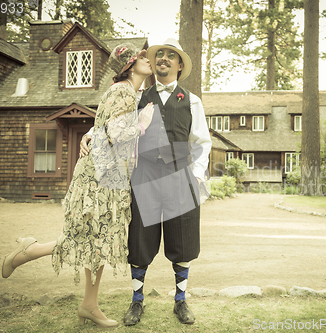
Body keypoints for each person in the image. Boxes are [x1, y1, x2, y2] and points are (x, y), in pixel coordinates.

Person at [1, 43, 155, 328]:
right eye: (141, 57)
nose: (147, 59)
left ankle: (88, 303)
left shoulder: (128, 93)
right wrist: (142, 124)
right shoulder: (122, 91)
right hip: (100, 177)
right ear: (130, 65)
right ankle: (31, 251)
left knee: (97, 241)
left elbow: (102, 126)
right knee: (91, 239)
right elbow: (115, 133)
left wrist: (90, 133)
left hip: (110, 176)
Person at [80, 38, 212, 326]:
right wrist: (90, 133)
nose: (163, 59)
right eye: (159, 55)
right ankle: (137, 301)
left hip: (181, 177)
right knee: (139, 241)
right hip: (145, 176)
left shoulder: (191, 101)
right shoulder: (139, 97)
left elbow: (202, 142)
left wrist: (197, 175)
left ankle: (180, 301)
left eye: (170, 56)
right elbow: (115, 121)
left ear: (179, 65)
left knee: (183, 242)